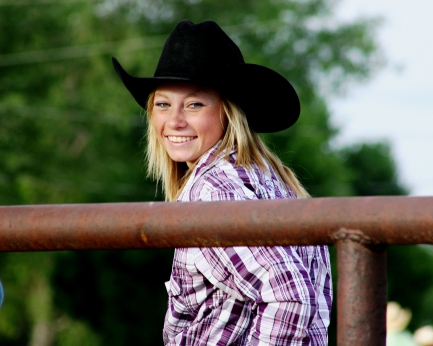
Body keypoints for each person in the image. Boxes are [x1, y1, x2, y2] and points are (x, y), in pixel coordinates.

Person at [112, 19, 332, 346]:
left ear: (228, 112)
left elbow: (290, 298)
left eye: (194, 104)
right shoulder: (272, 180)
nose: (174, 120)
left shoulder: (214, 191)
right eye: (163, 104)